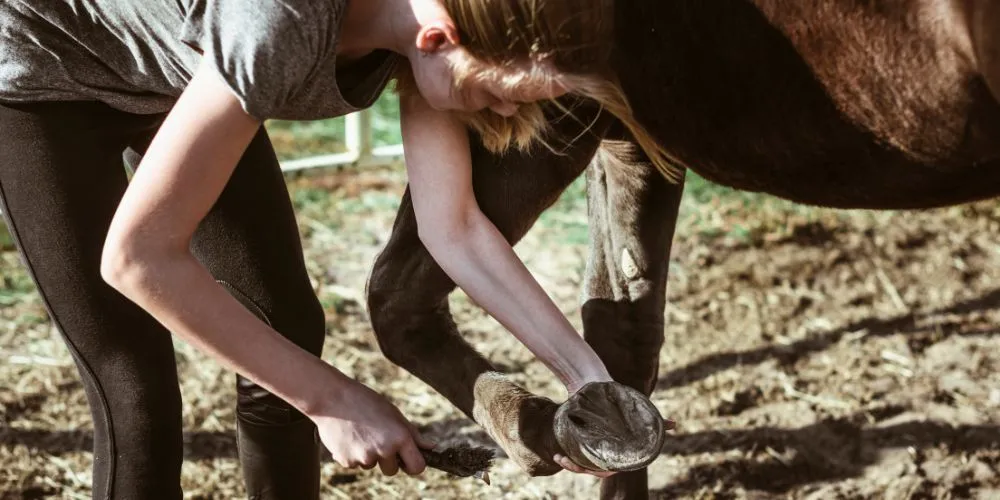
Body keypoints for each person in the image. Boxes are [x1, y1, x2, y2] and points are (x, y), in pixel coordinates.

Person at [0, 0, 673, 498]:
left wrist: (585, 376)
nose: (501, 115)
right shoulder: (280, 22)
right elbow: (139, 258)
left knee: (287, 326)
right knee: (137, 392)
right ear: (442, 36)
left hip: (182, 72)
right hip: (46, 77)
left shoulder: (426, 37)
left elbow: (456, 229)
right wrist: (333, 401)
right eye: (496, 96)